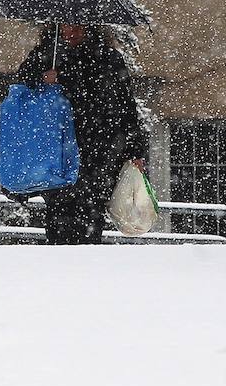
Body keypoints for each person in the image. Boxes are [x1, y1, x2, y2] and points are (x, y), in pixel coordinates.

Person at [14, 23, 148, 245]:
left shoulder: (108, 59)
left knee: (91, 211)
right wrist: (42, 79)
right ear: (57, 28)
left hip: (98, 149)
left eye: (79, 27)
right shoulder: (47, 55)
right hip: (58, 149)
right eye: (67, 27)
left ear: (90, 28)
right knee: (59, 211)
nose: (72, 33)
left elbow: (126, 107)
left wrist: (134, 150)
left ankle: (83, 261)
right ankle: (63, 259)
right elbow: (21, 87)